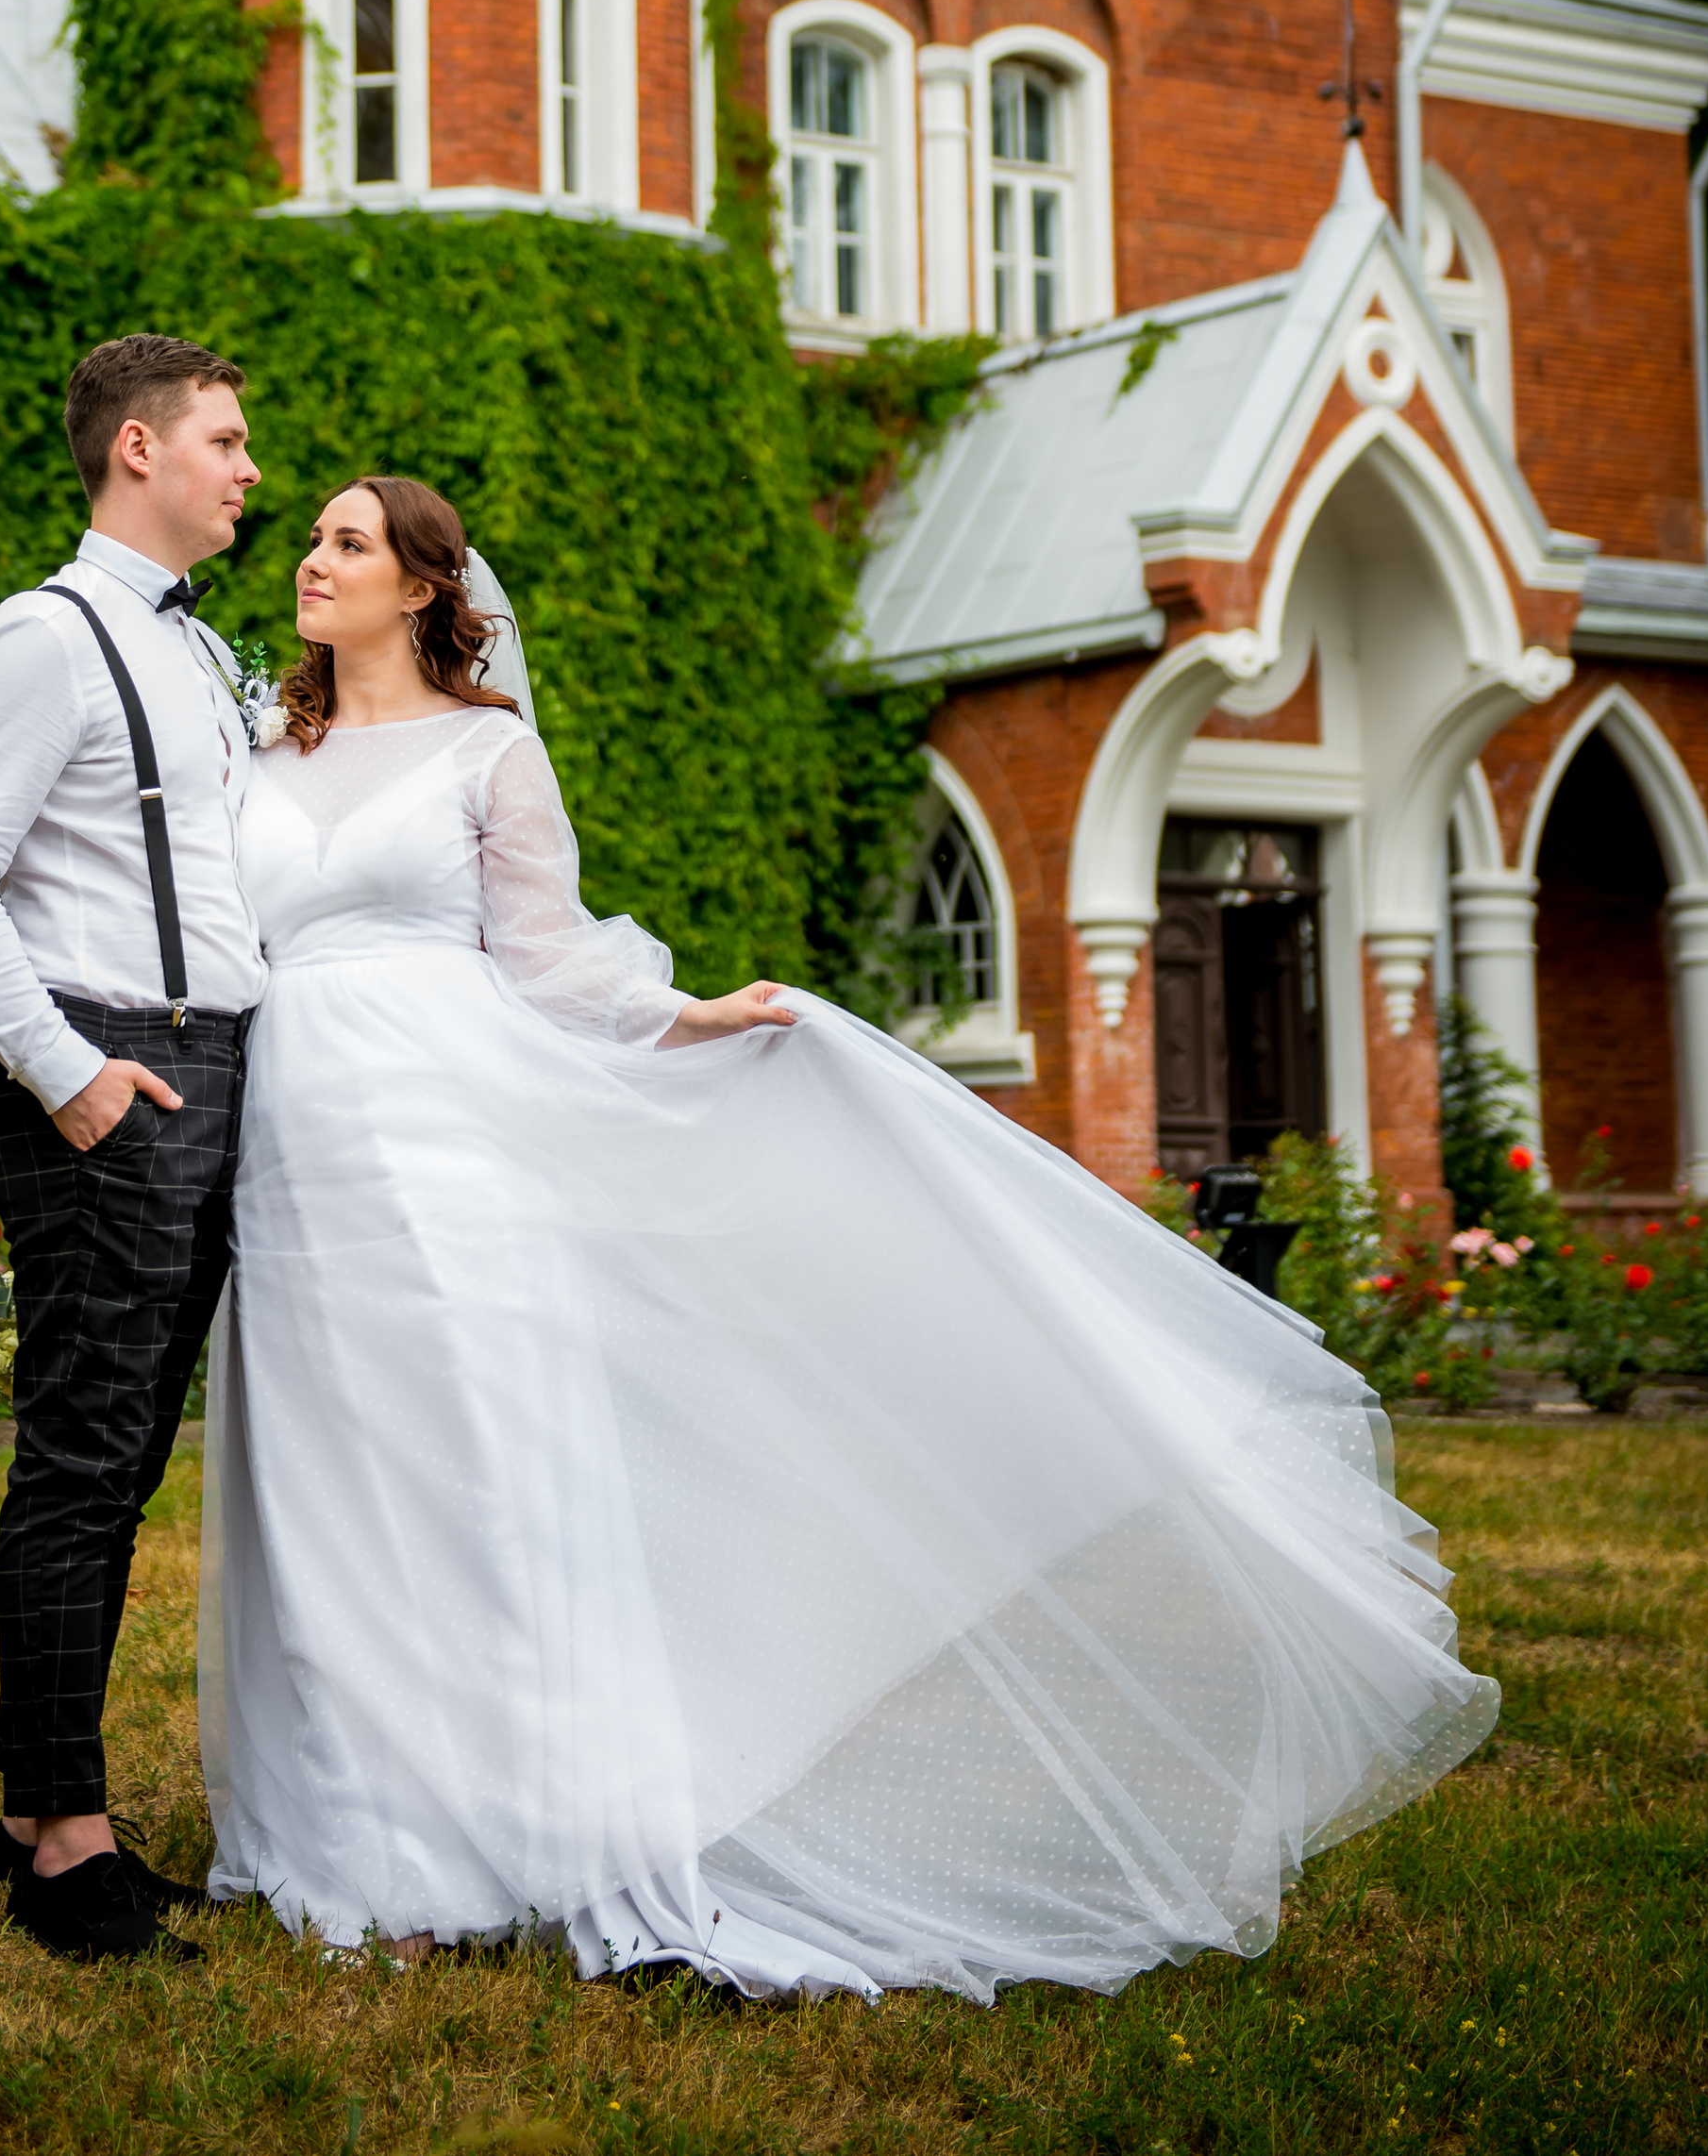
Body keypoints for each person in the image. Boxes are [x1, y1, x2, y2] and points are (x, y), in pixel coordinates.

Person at [202, 475, 1499, 2002]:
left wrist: (694, 1015)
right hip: (292, 1160)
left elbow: (547, 961)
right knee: (324, 1495)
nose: (311, 558)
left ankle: (489, 1844)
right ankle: (358, 1838)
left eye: (348, 541)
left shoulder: (489, 750)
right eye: (313, 538)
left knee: (467, 1490)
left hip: (452, 1158)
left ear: (423, 586)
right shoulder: (261, 749)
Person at [0, 331, 264, 1964]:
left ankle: (38, 1812)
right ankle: (65, 1849)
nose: (250, 470)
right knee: (82, 1456)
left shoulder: (201, 650)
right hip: (110, 1075)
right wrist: (70, 1075)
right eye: (226, 440)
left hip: (203, 1073)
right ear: (137, 448)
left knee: (121, 1467)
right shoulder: (44, 638)